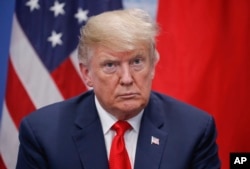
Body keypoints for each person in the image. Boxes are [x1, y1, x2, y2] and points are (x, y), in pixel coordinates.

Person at [16, 8, 221, 169]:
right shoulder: (43, 134)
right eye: (110, 65)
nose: (126, 79)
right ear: (87, 74)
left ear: (153, 66)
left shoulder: (194, 130)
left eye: (137, 62)